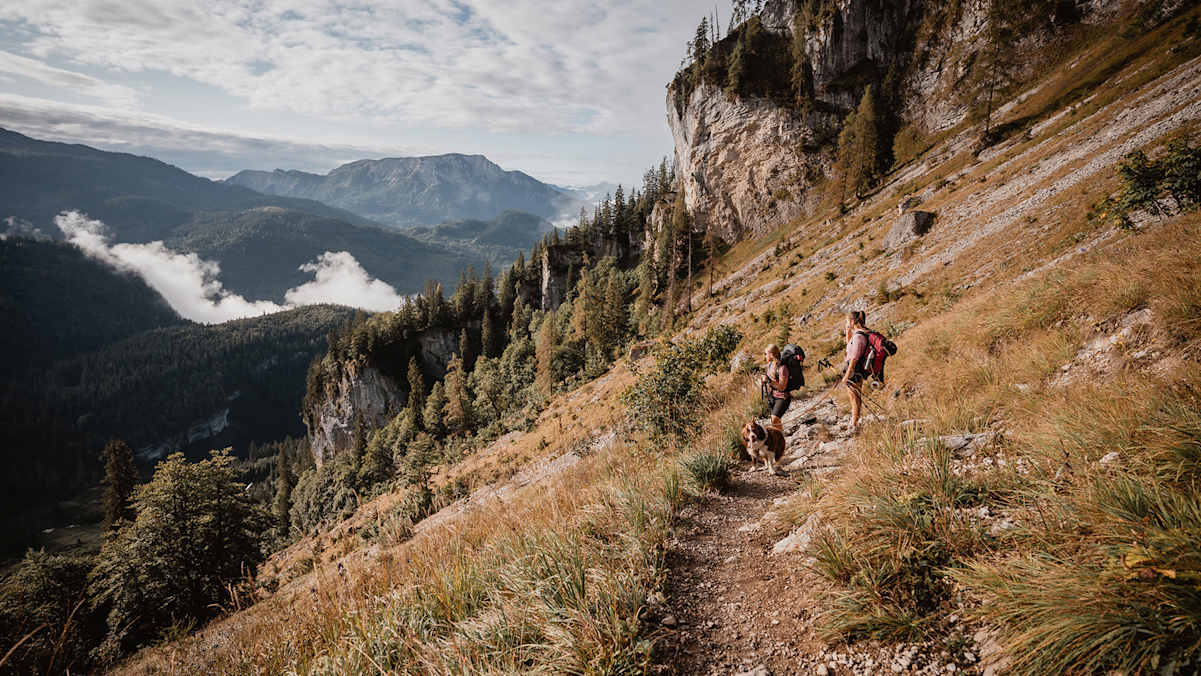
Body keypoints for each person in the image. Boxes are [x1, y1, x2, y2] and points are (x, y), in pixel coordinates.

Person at [842, 310, 869, 431]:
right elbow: (849, 346)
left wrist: (847, 375)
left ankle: (854, 423)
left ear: (853, 321)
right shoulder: (859, 334)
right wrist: (848, 331)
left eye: (848, 321)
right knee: (855, 396)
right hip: (855, 369)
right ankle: (855, 420)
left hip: (854, 370)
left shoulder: (858, 336)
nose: (847, 323)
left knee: (854, 398)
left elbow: (854, 357)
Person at [761, 344, 790, 432]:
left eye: (765, 353)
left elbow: (782, 387)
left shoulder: (782, 368)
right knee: (774, 421)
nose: (764, 355)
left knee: (774, 419)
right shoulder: (770, 365)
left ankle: (780, 440)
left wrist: (769, 381)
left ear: (771, 354)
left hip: (782, 397)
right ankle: (780, 437)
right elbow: (771, 379)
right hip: (773, 395)